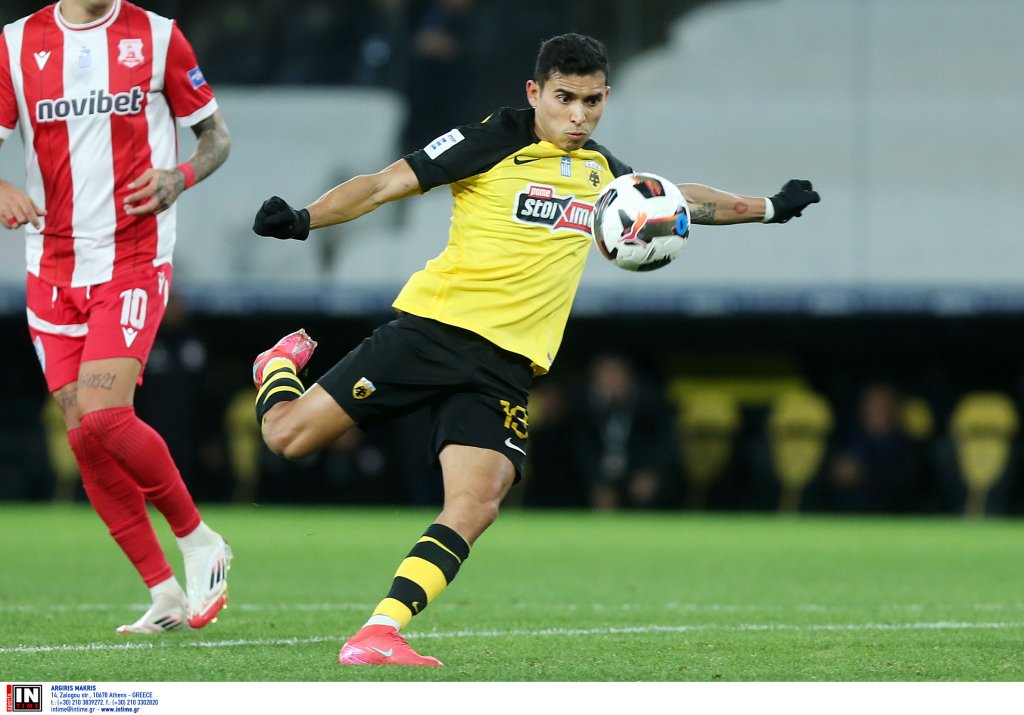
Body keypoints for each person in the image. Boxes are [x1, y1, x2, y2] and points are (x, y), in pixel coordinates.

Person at [250, 32, 820, 666]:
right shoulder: (489, 141)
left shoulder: (604, 174)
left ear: (606, 98)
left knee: (476, 503)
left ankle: (380, 631)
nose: (578, 115)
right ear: (534, 92)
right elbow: (384, 185)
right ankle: (275, 367)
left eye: (591, 102)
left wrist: (770, 207)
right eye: (564, 98)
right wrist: (304, 219)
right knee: (286, 438)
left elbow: (679, 199)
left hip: (505, 369)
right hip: (435, 331)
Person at [0, 0, 232, 633]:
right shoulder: (16, 44)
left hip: (132, 256)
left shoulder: (157, 37)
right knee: (83, 435)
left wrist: (180, 177)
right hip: (51, 267)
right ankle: (163, 591)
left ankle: (200, 541)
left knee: (105, 414)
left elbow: (217, 137)